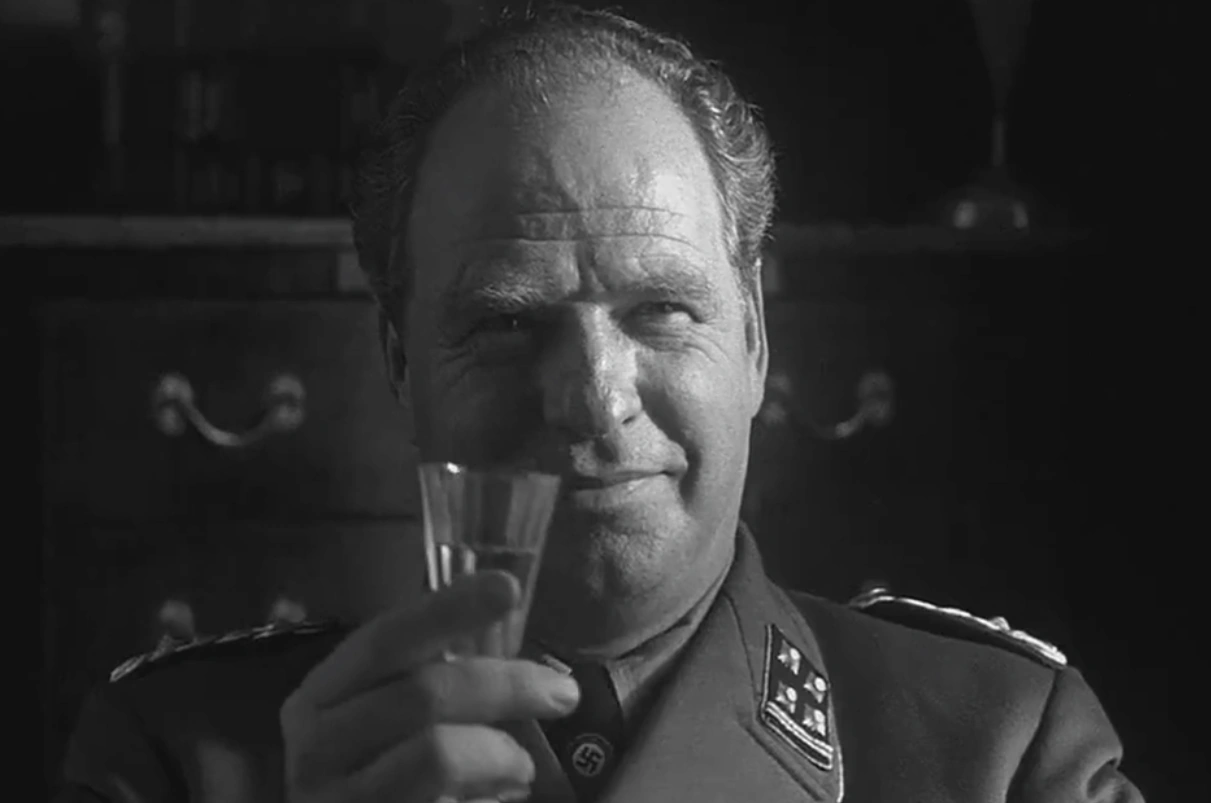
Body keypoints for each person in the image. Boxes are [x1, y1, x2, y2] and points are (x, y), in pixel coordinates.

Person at [55, 5, 1145, 802]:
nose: (590, 398)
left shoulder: (1002, 751)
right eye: (505, 322)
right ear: (399, 362)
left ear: (754, 340)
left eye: (661, 309)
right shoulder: (174, 757)